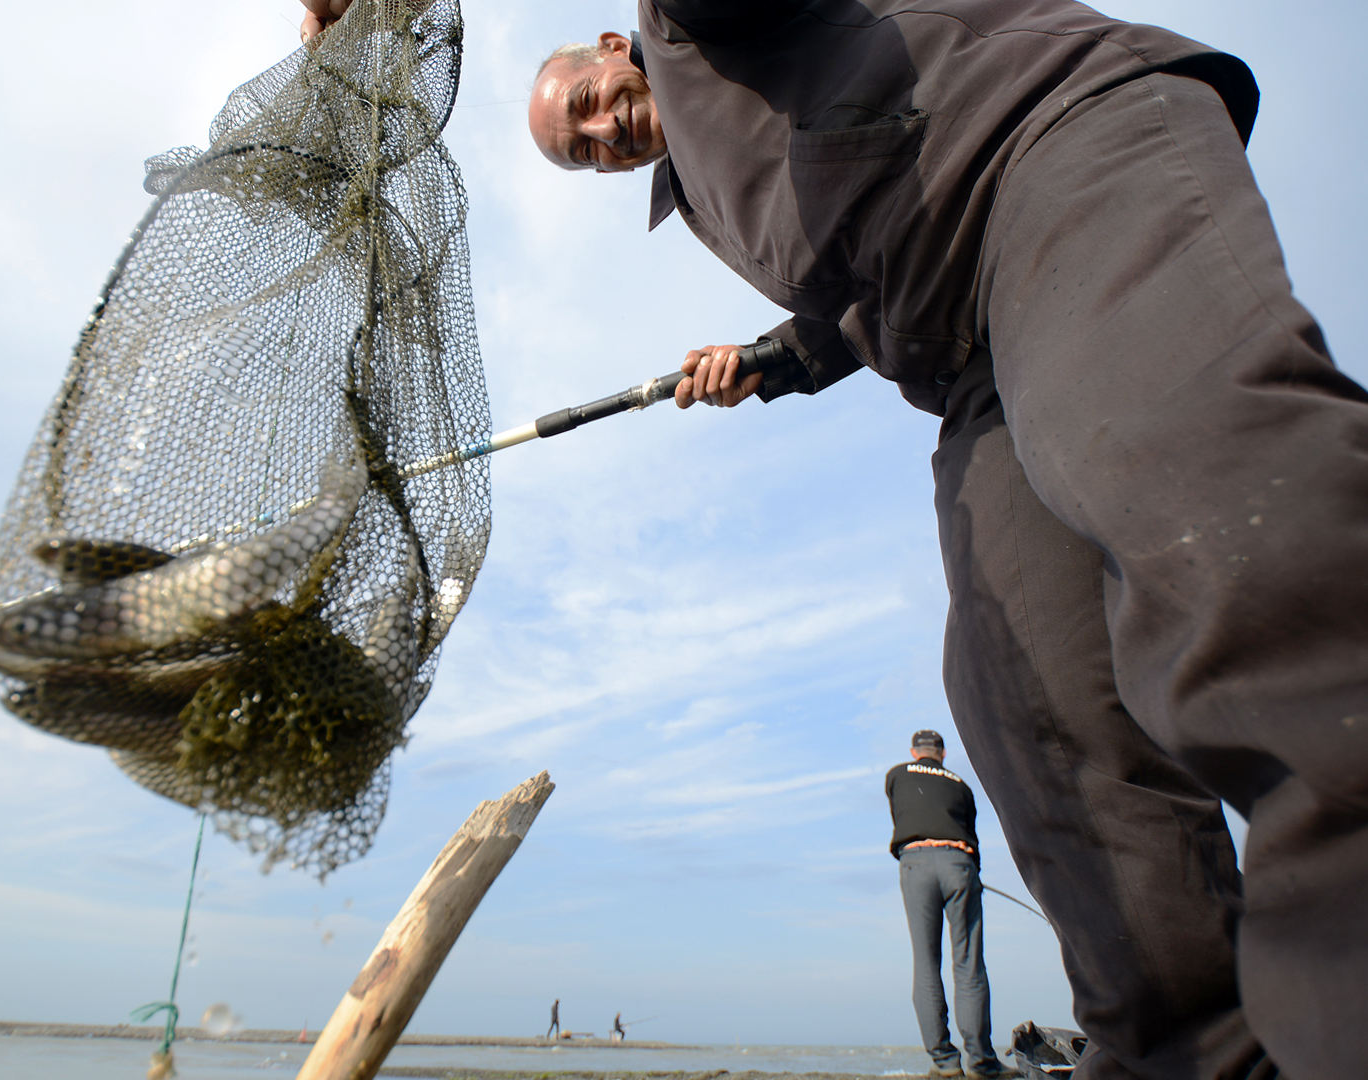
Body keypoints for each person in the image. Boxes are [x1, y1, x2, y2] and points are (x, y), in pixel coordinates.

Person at [299, 2, 1368, 1077]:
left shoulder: (692, 34)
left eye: (586, 104)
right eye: (584, 152)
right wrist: (776, 356)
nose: (602, 133)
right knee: (1023, 695)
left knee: (1207, 511)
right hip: (971, 354)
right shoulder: (712, 195)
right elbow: (862, 279)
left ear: (615, 50)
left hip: (1049, 158)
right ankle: (1191, 1052)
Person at [887, 730, 1008, 1079]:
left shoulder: (897, 774)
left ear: (914, 752)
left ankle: (945, 1063)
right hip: (960, 864)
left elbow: (902, 811)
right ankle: (983, 1063)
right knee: (968, 964)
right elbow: (970, 829)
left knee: (926, 962)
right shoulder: (961, 785)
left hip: (915, 863)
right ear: (942, 753)